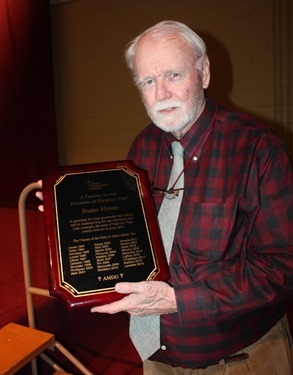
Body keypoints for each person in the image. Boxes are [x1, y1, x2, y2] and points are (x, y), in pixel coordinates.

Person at [39, 20, 293, 374]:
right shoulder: (143, 146)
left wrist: (178, 300)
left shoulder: (257, 148)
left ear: (203, 72)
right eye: (147, 81)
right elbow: (126, 230)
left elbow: (283, 267)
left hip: (238, 358)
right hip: (156, 355)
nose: (160, 94)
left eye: (173, 75)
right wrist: (66, 214)